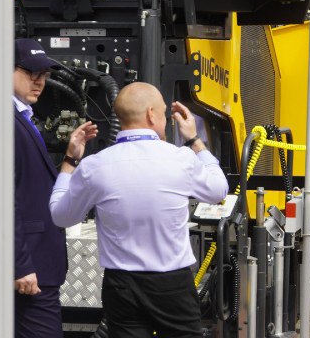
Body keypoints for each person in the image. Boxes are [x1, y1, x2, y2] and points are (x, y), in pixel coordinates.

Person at [49, 82, 228, 338]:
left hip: (122, 285)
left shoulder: (94, 166)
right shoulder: (181, 159)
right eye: (165, 114)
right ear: (151, 114)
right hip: (172, 283)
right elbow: (219, 189)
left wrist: (69, 162)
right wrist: (194, 140)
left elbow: (60, 215)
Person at [13, 38, 98, 337]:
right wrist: (19, 264)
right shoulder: (4, 121)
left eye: (44, 74)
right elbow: (4, 200)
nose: (39, 81)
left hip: (37, 267)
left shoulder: (22, 118)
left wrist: (71, 159)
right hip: (28, 268)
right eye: (30, 73)